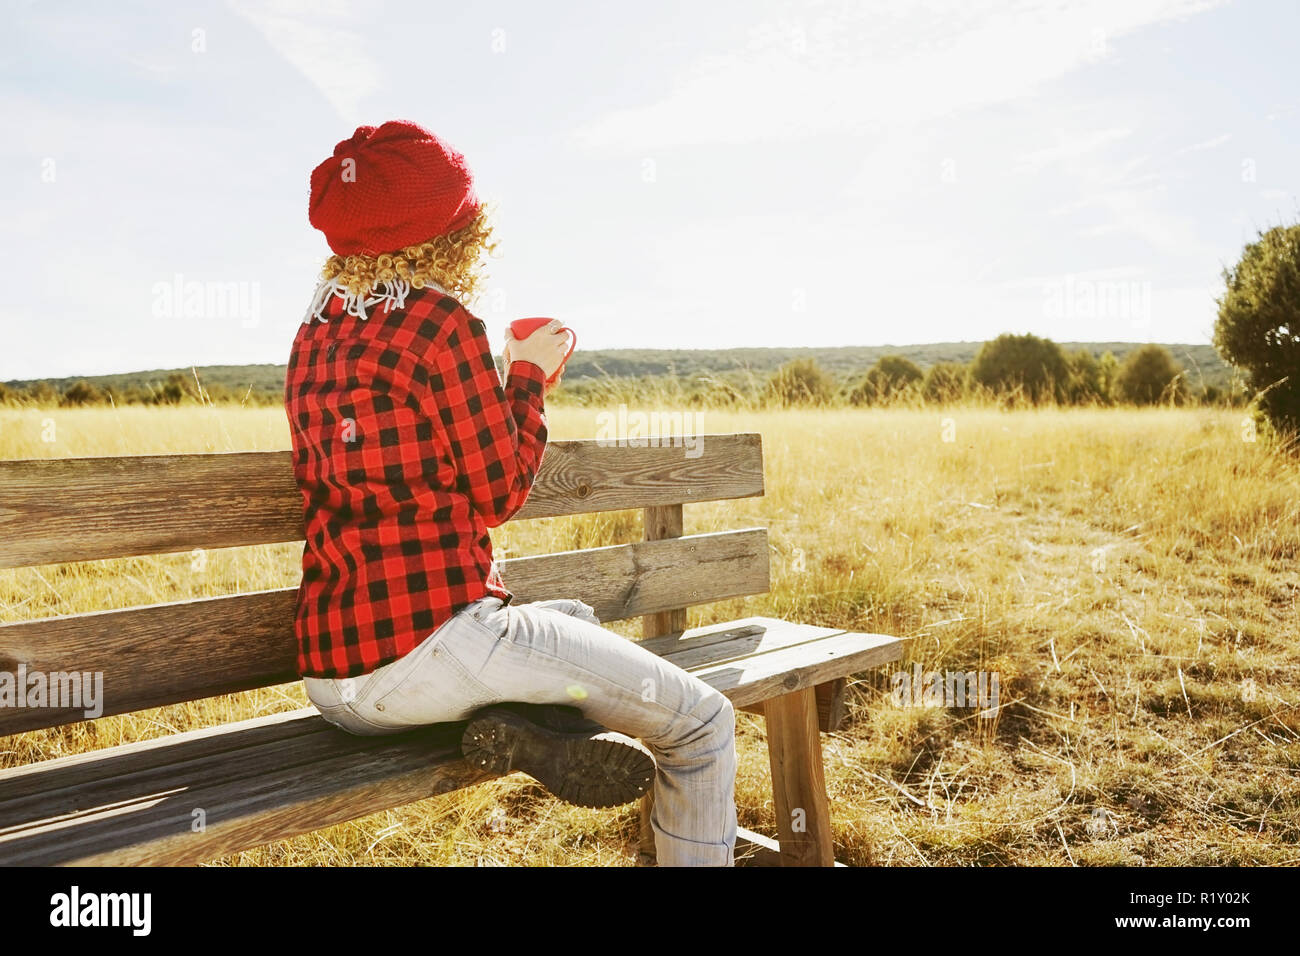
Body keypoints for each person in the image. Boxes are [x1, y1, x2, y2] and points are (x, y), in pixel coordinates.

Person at [286, 119, 736, 866]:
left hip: (337, 685)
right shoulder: (438, 322)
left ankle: (534, 733)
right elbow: (499, 491)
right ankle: (560, 738)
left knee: (569, 618)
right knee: (701, 723)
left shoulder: (314, 334)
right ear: (452, 230)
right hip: (430, 650)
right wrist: (525, 374)